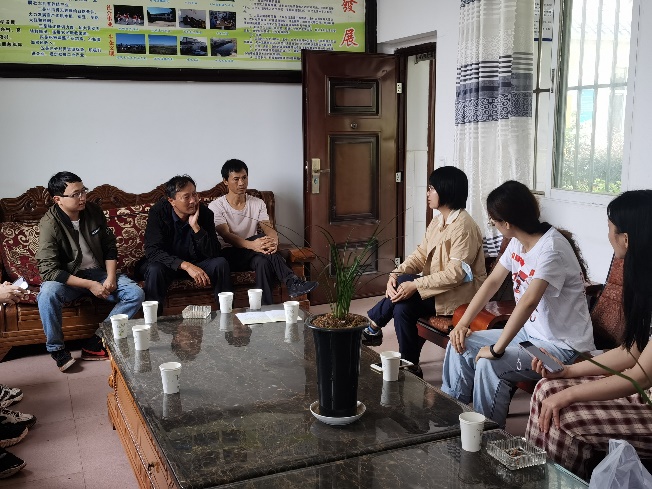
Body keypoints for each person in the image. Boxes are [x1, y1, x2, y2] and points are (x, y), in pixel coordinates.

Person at [441, 180, 595, 428]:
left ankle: (485, 434)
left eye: (493, 220)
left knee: (490, 364)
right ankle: (451, 416)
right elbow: (492, 283)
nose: (492, 224)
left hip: (563, 347)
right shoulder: (518, 242)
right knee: (459, 344)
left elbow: (528, 302)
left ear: (507, 223)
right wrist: (462, 325)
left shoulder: (551, 248)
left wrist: (496, 349)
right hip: (530, 335)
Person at [526, 190, 652, 479]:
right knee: (546, 388)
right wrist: (567, 372)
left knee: (565, 418)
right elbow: (631, 352)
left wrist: (569, 394)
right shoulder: (644, 283)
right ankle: (531, 477)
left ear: (626, 239)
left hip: (646, 394)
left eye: (609, 228)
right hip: (643, 390)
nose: (607, 235)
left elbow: (641, 376)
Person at [362, 166, 487, 376]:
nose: (427, 193)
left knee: (407, 286)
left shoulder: (464, 227)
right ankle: (410, 365)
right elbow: (421, 254)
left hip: (459, 297)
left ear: (446, 190)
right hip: (439, 291)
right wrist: (395, 274)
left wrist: (414, 284)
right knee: (402, 305)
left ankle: (373, 327)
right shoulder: (438, 221)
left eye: (431, 189)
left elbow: (456, 274)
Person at [36, 172, 145, 371]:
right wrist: (90, 285)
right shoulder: (49, 224)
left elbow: (109, 246)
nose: (83, 197)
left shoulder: (93, 211)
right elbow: (48, 270)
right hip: (70, 278)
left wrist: (110, 277)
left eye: (83, 191)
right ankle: (57, 349)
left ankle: (96, 342)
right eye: (75, 194)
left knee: (135, 293)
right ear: (58, 199)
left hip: (98, 273)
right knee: (47, 293)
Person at [208, 159, 317, 305]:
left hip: (256, 253)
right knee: (260, 239)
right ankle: (292, 282)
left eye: (244, 178)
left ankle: (265, 308)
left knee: (263, 262)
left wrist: (274, 242)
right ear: (225, 181)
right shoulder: (216, 206)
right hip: (229, 255)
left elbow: (268, 227)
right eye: (236, 179)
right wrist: (254, 245)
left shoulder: (257, 202)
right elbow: (226, 236)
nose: (241, 183)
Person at [138, 175, 230, 314]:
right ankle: (153, 321)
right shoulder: (158, 213)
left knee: (220, 263)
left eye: (194, 194)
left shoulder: (205, 213)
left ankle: (227, 315)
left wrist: (196, 228)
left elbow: (214, 252)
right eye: (186, 197)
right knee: (154, 269)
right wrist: (185, 265)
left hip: (197, 262)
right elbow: (152, 251)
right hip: (169, 265)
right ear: (172, 201)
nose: (193, 200)